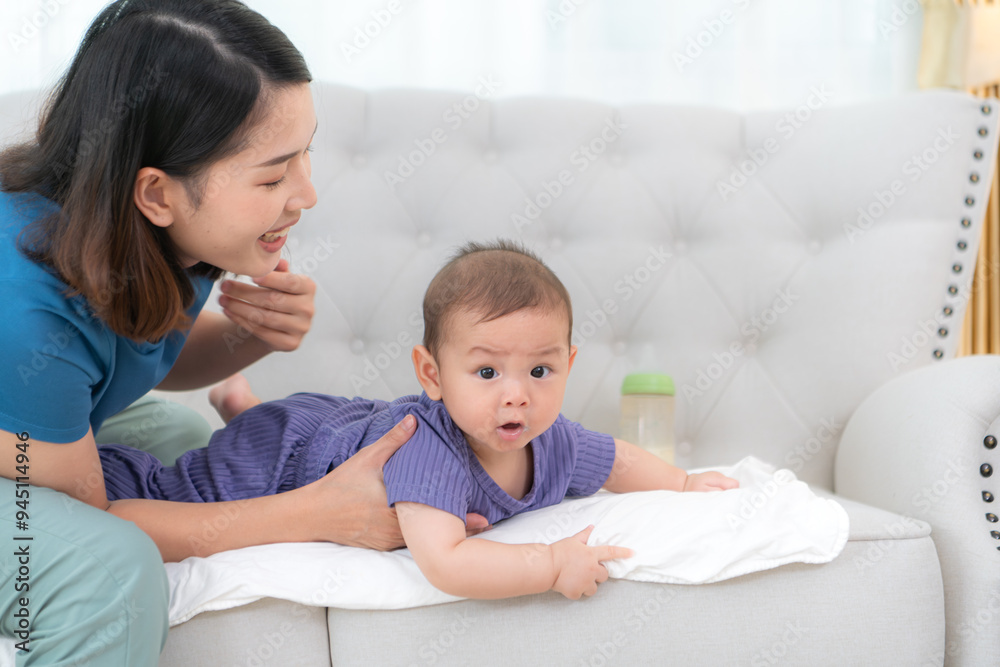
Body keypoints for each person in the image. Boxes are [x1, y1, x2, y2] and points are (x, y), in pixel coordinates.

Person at [0, 2, 455, 664]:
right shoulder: (30, 307)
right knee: (110, 565)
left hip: (28, 430)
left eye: (304, 156)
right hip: (20, 436)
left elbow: (130, 354)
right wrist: (315, 511)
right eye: (273, 175)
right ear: (156, 193)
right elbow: (99, 511)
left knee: (186, 443)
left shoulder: (153, 234)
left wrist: (250, 337)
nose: (307, 193)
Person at [99, 240, 739, 600]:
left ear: (568, 365)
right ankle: (231, 417)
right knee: (161, 488)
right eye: (486, 373)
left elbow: (620, 460)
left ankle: (238, 405)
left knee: (277, 428)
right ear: (432, 375)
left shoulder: (554, 440)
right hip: (280, 456)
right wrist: (548, 565)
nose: (516, 396)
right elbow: (448, 563)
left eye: (540, 372)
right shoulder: (433, 454)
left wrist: (684, 486)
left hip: (336, 427)